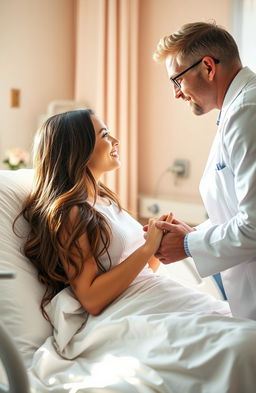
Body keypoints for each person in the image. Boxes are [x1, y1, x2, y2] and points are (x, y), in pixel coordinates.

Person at [16, 109, 256, 392]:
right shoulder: (71, 214)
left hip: (154, 297)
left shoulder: (105, 200)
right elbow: (91, 298)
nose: (115, 140)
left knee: (244, 334)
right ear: (78, 149)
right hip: (129, 313)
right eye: (105, 135)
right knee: (243, 345)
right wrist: (147, 247)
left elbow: (139, 272)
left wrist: (157, 245)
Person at [152, 21, 256, 320]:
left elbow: (254, 224)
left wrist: (187, 244)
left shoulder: (248, 112)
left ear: (208, 67)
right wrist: (193, 232)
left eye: (177, 80)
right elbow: (235, 210)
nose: (176, 94)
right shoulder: (235, 111)